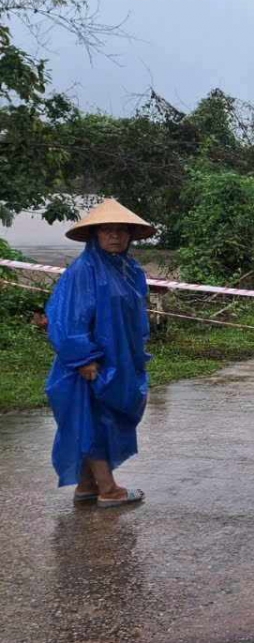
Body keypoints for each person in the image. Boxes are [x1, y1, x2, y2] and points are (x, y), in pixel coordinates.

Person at [45, 198, 156, 508]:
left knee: (103, 419)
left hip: (119, 360)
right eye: (108, 230)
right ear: (95, 234)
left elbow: (131, 316)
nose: (115, 236)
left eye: (121, 231)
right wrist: (84, 358)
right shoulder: (84, 270)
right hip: (89, 363)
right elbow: (68, 319)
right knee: (92, 420)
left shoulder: (127, 268)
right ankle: (108, 489)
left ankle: (85, 486)